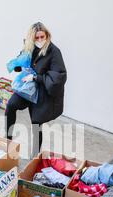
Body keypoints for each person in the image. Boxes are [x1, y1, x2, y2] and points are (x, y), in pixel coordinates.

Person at [6, 22, 67, 153]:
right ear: (31, 38)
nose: (40, 40)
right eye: (37, 37)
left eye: (42, 37)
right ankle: (7, 140)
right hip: (27, 89)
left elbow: (59, 76)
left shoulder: (54, 52)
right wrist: (18, 65)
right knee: (11, 105)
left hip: (42, 92)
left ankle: (35, 155)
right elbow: (21, 63)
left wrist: (36, 77)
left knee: (36, 123)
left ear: (47, 36)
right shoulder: (29, 47)